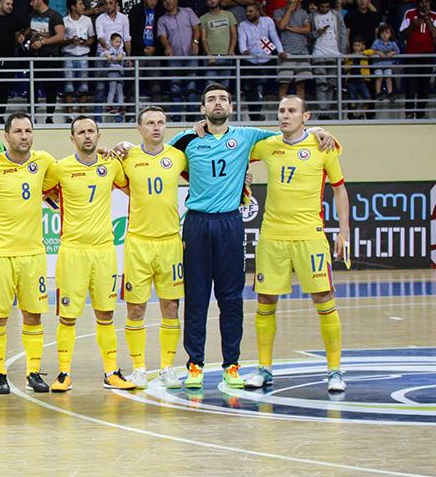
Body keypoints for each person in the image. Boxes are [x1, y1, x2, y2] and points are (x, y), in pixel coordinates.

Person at [154, 84, 333, 389]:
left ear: (231, 106)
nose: (217, 103)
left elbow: (288, 137)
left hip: (230, 223)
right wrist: (120, 147)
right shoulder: (186, 139)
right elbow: (157, 155)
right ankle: (195, 365)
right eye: (211, 99)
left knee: (231, 298)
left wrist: (316, 129)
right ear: (202, 109)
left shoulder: (249, 136)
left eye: (223, 98)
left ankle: (231, 365)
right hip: (197, 224)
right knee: (196, 298)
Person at [247, 97, 349, 393]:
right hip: (272, 236)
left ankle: (334, 370)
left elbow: (340, 191)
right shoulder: (267, 144)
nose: (285, 116)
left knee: (324, 298)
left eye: (292, 111)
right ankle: (264, 367)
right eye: (281, 111)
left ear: (306, 115)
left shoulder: (323, 146)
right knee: (265, 301)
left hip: (310, 236)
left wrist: (344, 232)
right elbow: (233, 149)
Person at [45, 118, 136, 391]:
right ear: (72, 139)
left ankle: (111, 372)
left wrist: (125, 151)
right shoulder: (60, 168)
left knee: (106, 314)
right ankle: (63, 373)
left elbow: (132, 187)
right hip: (72, 252)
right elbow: (39, 191)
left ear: (99, 135)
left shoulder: (111, 164)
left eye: (91, 131)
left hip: (104, 251)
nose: (87, 136)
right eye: (81, 132)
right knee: (68, 316)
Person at [0, 112, 56, 391]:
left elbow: (60, 187)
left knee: (34, 315)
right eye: (18, 131)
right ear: (6, 136)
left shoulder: (44, 162)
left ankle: (33, 372)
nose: (24, 136)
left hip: (33, 253)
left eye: (28, 131)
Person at [119, 107, 186, 389]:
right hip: (138, 243)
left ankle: (168, 367)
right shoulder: (127, 157)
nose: (156, 127)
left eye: (161, 122)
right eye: (150, 123)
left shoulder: (178, 157)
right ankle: (138, 368)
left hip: (170, 242)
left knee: (171, 306)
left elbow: (206, 179)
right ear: (139, 128)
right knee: (135, 309)